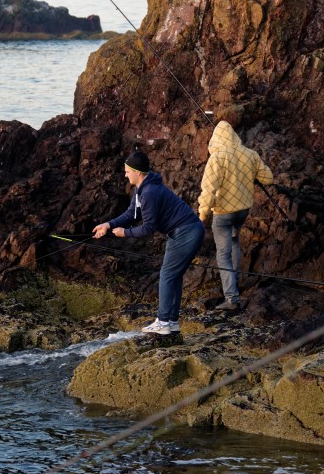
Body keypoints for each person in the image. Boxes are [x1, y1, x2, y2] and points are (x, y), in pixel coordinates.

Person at [93, 151, 204, 335]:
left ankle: (163, 321)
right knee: (173, 275)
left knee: (167, 274)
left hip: (186, 232)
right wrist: (108, 224)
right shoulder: (142, 188)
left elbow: (148, 228)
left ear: (137, 172)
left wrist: (124, 233)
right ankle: (171, 322)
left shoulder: (150, 192)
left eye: (127, 171)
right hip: (184, 231)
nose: (125, 174)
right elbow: (131, 214)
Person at [198, 120, 274, 310]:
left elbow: (208, 190)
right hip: (242, 212)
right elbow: (268, 178)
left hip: (223, 214)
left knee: (222, 255)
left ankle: (231, 298)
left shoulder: (216, 158)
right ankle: (235, 280)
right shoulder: (250, 154)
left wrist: (202, 215)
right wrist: (250, 172)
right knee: (234, 241)